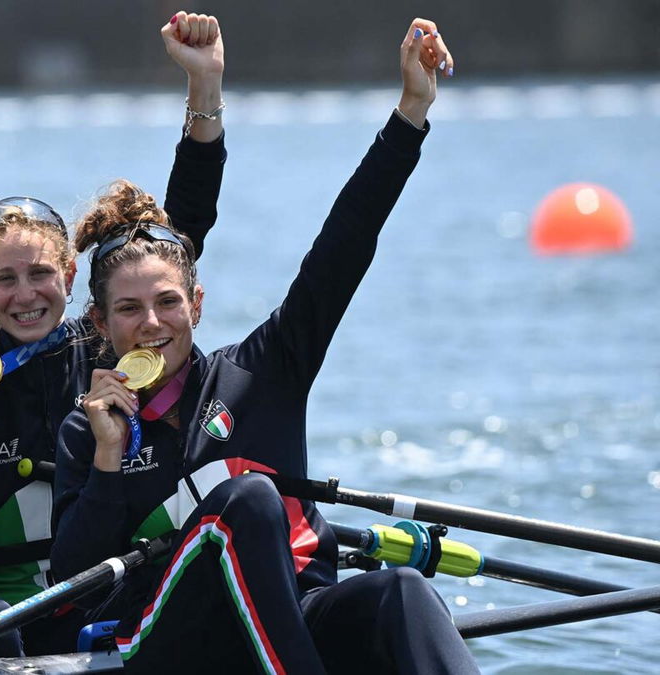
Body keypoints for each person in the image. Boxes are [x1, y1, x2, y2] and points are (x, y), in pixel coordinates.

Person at [53, 18, 480, 674]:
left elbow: (346, 241)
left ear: (195, 305)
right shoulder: (90, 426)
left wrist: (412, 109)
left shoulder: (264, 369)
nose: (152, 322)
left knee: (403, 589)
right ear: (103, 326)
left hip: (296, 614)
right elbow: (67, 592)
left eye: (168, 302)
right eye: (130, 310)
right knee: (248, 499)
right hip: (160, 639)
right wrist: (109, 462)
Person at [0, 12, 229, 658]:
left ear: (70, 277)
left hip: (78, 601)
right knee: (5, 624)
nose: (26, 293)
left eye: (41, 273)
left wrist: (204, 89)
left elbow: (180, 238)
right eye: (5, 279)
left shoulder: (98, 346)